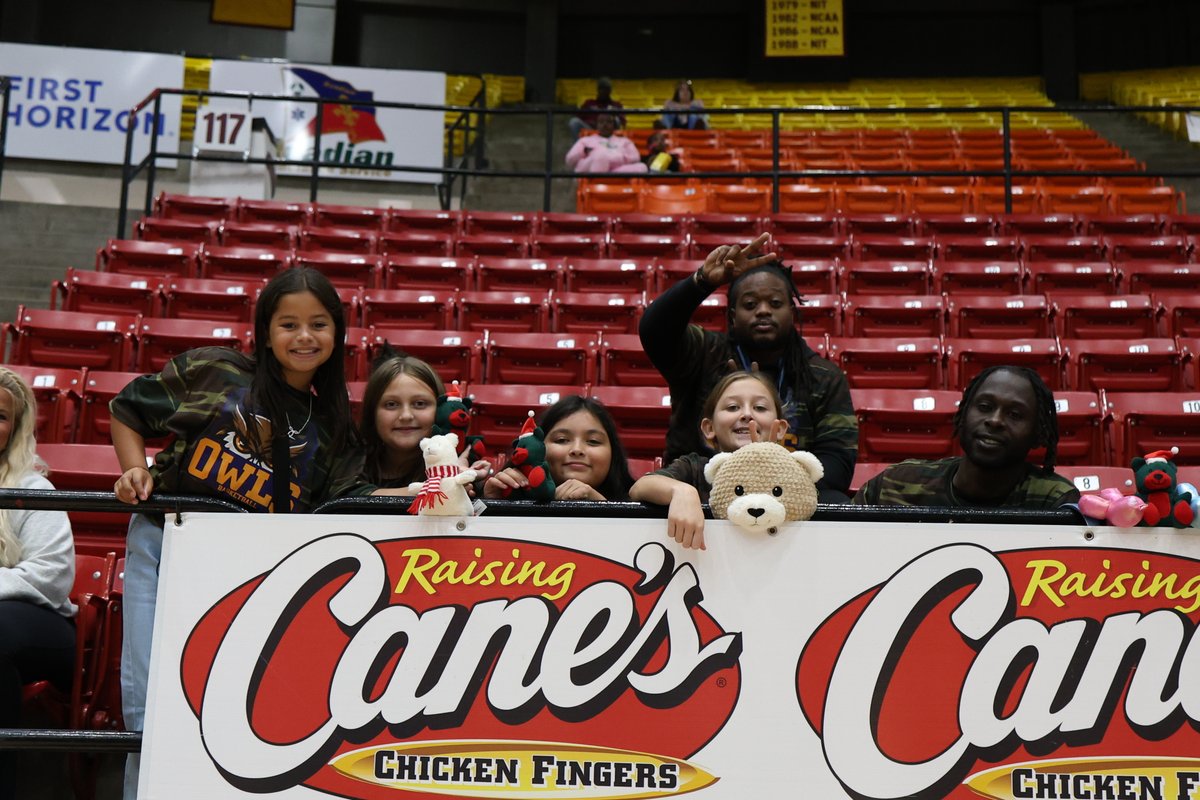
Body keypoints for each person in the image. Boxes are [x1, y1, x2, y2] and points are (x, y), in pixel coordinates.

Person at [110, 266, 370, 798]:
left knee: (236, 708)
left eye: (318, 325)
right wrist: (134, 469)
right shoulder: (216, 371)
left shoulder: (335, 426)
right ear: (265, 330)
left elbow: (351, 503)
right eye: (288, 324)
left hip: (253, 578)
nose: (304, 337)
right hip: (166, 548)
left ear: (337, 334)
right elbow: (127, 410)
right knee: (149, 702)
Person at [639, 232, 858, 503]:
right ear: (733, 315)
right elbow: (654, 331)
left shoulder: (824, 376)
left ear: (792, 310)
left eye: (775, 303)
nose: (763, 311)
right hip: (700, 495)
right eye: (750, 304)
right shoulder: (703, 353)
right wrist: (701, 282)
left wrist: (768, 482)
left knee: (834, 499)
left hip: (787, 499)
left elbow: (837, 463)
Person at [852, 365, 1080, 509]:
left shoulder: (1053, 502)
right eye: (984, 406)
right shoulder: (894, 485)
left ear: (1037, 434)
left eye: (1014, 414)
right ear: (962, 415)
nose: (995, 420)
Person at [0, 368, 75, 800]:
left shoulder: (32, 487)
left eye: (1, 415)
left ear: (15, 428)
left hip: (43, 625)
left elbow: (51, 575)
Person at [630, 371, 787, 551]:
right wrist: (681, 491)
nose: (746, 414)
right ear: (709, 427)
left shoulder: (793, 474)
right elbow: (639, 487)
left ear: (781, 428)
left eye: (759, 407)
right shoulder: (695, 468)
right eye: (733, 407)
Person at [358, 349, 490, 492]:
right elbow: (347, 496)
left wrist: (487, 493)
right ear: (372, 412)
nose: (406, 415)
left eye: (420, 404)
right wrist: (436, 489)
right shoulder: (351, 459)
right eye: (391, 404)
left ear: (441, 409)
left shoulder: (463, 464)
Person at [483, 395, 635, 502]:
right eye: (562, 440)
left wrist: (604, 509)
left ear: (613, 453)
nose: (577, 449)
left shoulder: (642, 510)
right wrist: (491, 505)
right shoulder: (504, 491)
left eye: (593, 441)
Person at [565, 113, 647, 175]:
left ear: (614, 125)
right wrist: (588, 154)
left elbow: (636, 157)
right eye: (601, 122)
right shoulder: (585, 140)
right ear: (597, 125)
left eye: (608, 122)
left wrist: (612, 159)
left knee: (642, 167)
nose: (605, 125)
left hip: (617, 171)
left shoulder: (624, 141)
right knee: (600, 157)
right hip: (593, 170)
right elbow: (570, 160)